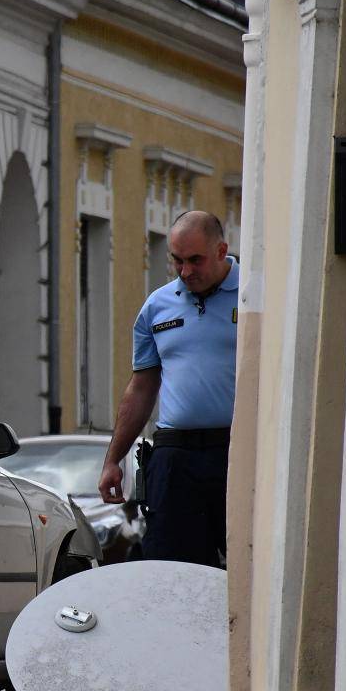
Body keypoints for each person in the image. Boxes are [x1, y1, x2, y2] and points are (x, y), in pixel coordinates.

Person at [97, 210, 238, 567]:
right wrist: (114, 459)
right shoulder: (157, 307)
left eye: (196, 260)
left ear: (222, 251)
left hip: (238, 451)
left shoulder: (253, 296)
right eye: (177, 260)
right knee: (171, 570)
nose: (186, 271)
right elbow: (142, 387)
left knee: (248, 568)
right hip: (176, 455)